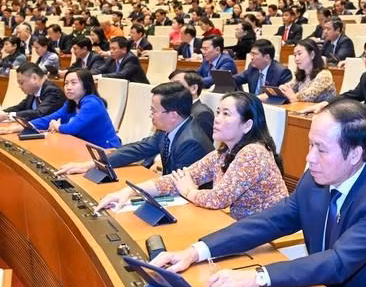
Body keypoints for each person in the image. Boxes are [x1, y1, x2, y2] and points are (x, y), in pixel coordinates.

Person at [149, 99, 366, 287]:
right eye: (309, 145)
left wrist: (256, 276)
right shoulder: (316, 180)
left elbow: (338, 262)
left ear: (355, 154)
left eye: (321, 149)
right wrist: (195, 251)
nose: (309, 158)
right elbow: (268, 222)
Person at [92, 91, 287, 220]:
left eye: (226, 114)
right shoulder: (223, 153)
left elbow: (217, 199)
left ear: (247, 125)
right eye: (217, 112)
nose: (217, 119)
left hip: (266, 237)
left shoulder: (253, 152)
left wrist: (188, 191)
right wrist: (129, 192)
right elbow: (179, 178)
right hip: (236, 226)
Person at [57, 82, 213, 176]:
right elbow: (139, 149)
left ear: (173, 114)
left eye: (154, 111)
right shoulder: (169, 129)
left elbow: (175, 185)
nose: (150, 115)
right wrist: (92, 163)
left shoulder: (191, 142)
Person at [2, 69, 121, 148]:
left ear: (86, 85)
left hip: (106, 150)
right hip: (83, 147)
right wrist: (20, 127)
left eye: (74, 83)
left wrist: (56, 126)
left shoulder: (92, 103)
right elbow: (48, 119)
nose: (68, 87)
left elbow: (72, 128)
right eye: (66, 83)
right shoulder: (70, 104)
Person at [0, 63, 66, 122]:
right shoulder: (34, 91)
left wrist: (8, 116)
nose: (20, 86)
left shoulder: (53, 91)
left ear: (34, 78)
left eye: (21, 83)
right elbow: (20, 107)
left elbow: (40, 113)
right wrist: (3, 112)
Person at [170, 70, 215, 140]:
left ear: (194, 88)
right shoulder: (172, 110)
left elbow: (201, 147)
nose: (170, 89)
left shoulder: (202, 114)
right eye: (170, 85)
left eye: (177, 84)